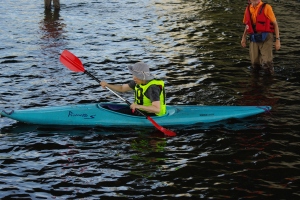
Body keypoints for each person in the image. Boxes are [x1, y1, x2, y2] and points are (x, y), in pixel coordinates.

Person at [100, 62, 166, 116]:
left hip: (152, 115)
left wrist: (138, 106)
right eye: (133, 74)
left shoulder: (152, 88)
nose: (134, 78)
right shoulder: (138, 81)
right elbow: (122, 88)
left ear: (143, 77)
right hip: (140, 111)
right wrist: (107, 85)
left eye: (136, 75)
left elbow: (157, 109)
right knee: (109, 108)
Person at [241, 0, 281, 75]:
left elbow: (275, 24)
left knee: (267, 63)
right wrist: (243, 38)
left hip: (266, 37)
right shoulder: (248, 9)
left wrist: (277, 40)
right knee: (255, 63)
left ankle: (269, 82)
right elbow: (247, 25)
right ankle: (255, 83)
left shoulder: (267, 7)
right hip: (254, 36)